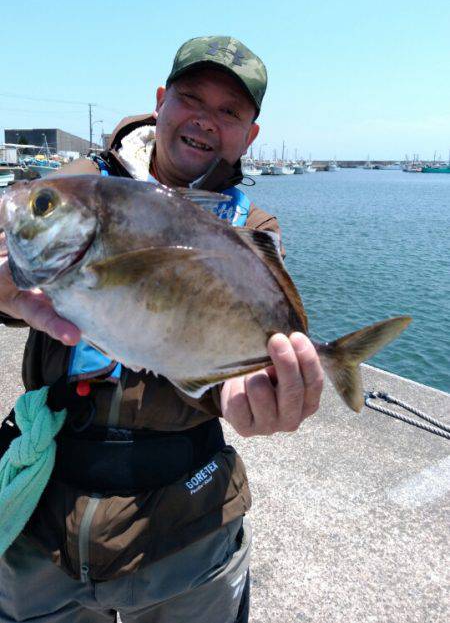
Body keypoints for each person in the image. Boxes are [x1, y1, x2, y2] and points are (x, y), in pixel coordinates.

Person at [0, 36, 324, 623]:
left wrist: (238, 391)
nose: (206, 120)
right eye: (191, 98)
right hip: (45, 511)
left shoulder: (251, 228)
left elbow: (221, 358)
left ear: (250, 135)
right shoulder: (80, 184)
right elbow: (13, 262)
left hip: (184, 525)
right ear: (160, 102)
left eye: (230, 111)